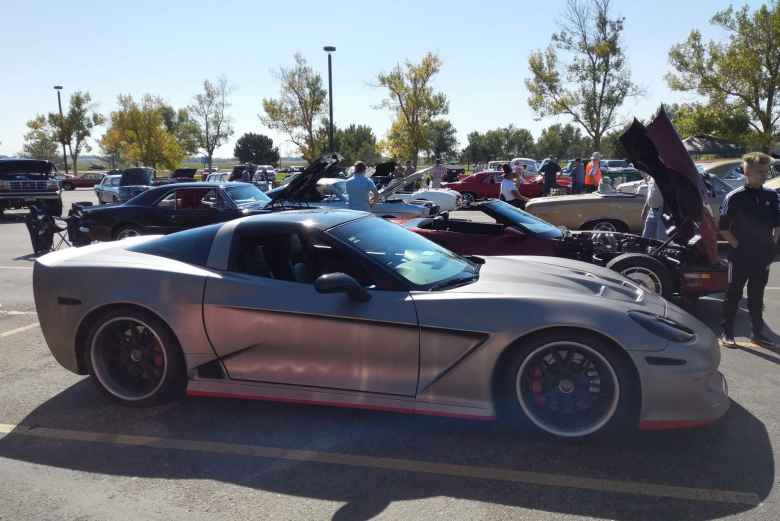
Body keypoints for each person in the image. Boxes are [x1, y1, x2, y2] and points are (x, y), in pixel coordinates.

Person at [719, 152, 780, 348]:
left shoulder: (771, 195)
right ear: (747, 172)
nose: (764, 175)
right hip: (739, 257)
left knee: (756, 297)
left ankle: (757, 333)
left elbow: (777, 224)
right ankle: (727, 332)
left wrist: (771, 244)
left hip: (762, 257)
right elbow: (723, 228)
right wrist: (738, 246)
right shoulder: (734, 197)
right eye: (760, 172)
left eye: (766, 171)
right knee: (733, 294)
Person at [641, 176, 667, 241]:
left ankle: (661, 251)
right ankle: (647, 250)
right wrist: (645, 209)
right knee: (646, 237)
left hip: (663, 210)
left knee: (660, 239)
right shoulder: (650, 177)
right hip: (651, 210)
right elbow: (649, 194)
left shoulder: (665, 176)